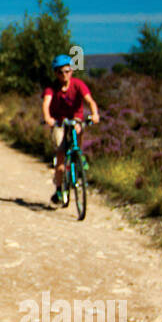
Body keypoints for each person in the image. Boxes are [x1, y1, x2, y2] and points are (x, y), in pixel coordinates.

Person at [42, 54, 99, 207]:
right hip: (59, 122)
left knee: (78, 128)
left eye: (67, 71)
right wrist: (48, 118)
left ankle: (79, 156)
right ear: (56, 73)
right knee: (60, 156)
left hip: (75, 119)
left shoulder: (78, 84)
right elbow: (46, 104)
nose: (64, 75)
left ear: (72, 70)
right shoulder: (51, 88)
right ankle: (59, 189)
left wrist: (94, 114)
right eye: (60, 72)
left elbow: (89, 100)